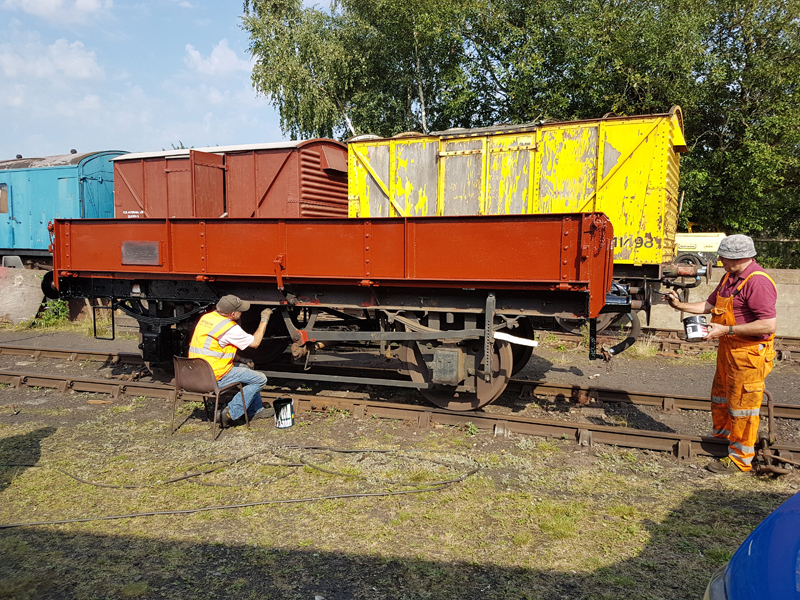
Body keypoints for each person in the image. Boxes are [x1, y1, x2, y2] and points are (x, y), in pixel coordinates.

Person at [666, 235, 777, 474]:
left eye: (724, 258)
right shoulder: (729, 277)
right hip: (729, 349)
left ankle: (740, 459)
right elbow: (709, 306)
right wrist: (680, 306)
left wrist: (726, 330)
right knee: (721, 397)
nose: (720, 261)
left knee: (743, 406)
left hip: (748, 354)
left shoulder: (758, 282)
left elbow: (768, 325)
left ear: (740, 258)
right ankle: (722, 439)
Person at [188, 294, 274, 427]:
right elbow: (255, 343)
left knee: (247, 370)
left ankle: (255, 410)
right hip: (214, 376)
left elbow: (218, 349)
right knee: (260, 379)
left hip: (197, 373)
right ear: (233, 314)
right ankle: (229, 413)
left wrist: (242, 359)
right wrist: (264, 319)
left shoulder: (206, 318)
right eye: (240, 310)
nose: (242, 312)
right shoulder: (229, 328)